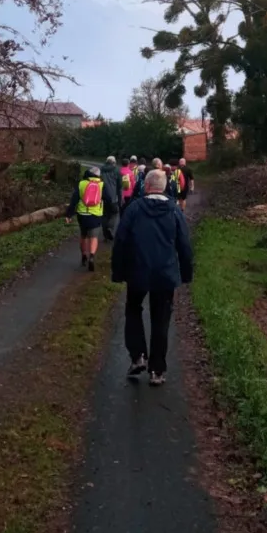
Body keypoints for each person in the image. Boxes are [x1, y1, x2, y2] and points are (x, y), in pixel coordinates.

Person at [111, 168, 193, 387]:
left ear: (146, 186)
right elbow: (184, 245)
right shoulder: (174, 211)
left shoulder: (134, 209)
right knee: (161, 319)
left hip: (137, 271)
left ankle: (138, 355)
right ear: (164, 187)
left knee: (133, 310)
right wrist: (186, 274)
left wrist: (118, 271)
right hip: (165, 274)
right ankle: (157, 370)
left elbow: (120, 241)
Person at [66, 166, 113, 269]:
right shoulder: (101, 184)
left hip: (82, 214)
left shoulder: (81, 184)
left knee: (84, 236)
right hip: (96, 214)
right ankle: (91, 256)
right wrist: (107, 211)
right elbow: (109, 200)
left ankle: (84, 255)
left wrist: (69, 214)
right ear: (98, 175)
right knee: (94, 237)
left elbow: (74, 200)